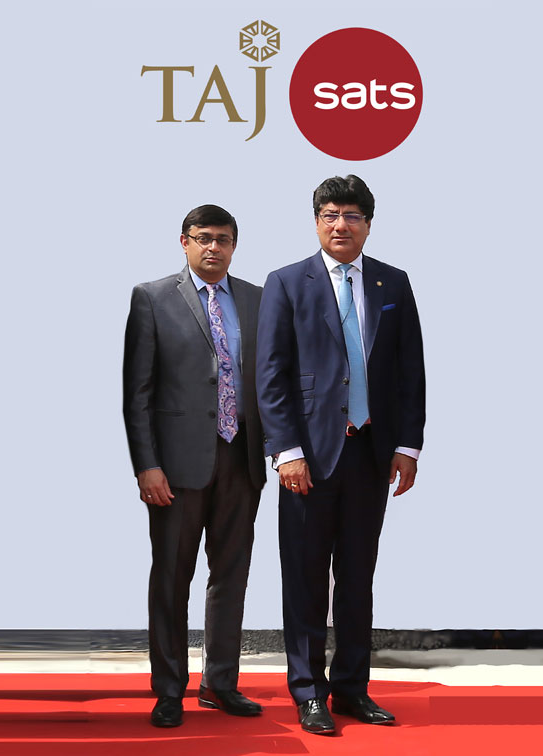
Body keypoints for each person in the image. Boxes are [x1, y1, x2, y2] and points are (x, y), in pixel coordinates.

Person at [256, 175, 425, 735]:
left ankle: (352, 688)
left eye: (352, 215)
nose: (341, 225)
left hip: (370, 454)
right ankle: (309, 692)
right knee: (305, 579)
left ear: (368, 224)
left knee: (357, 578)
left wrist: (407, 445)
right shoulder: (286, 283)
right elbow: (271, 375)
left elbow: (409, 370)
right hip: (307, 457)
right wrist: (285, 451)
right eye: (330, 214)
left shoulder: (392, 282)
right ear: (316, 222)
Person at [123, 204, 266, 728]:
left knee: (230, 574)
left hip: (242, 457)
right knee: (171, 577)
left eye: (223, 239)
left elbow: (271, 377)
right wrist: (147, 465)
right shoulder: (152, 298)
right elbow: (137, 393)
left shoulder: (257, 299)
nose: (213, 247)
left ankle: (220, 683)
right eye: (203, 238)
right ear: (184, 242)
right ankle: (168, 690)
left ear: (234, 246)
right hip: (177, 466)